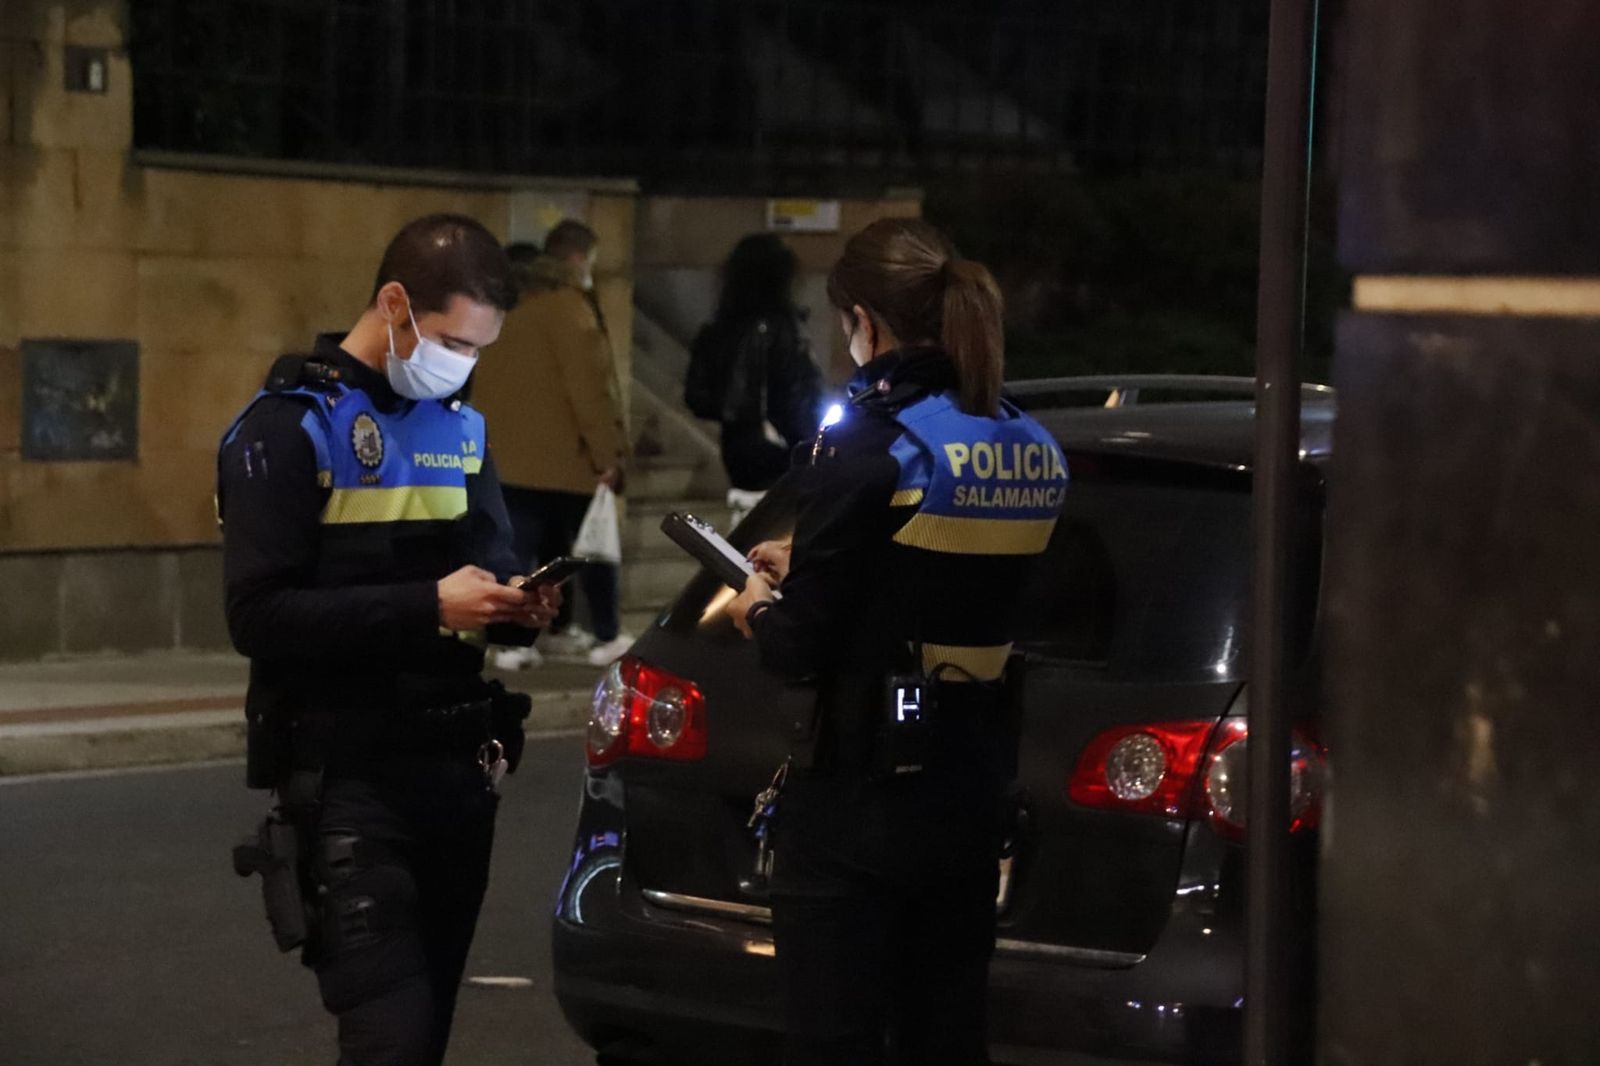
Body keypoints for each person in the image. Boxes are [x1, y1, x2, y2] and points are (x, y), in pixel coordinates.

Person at [217, 213, 563, 1066]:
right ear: (395, 304)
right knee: (391, 1036)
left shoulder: (459, 426)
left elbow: (491, 553)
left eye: (480, 351)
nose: (462, 367)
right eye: (452, 342)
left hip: (456, 773)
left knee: (427, 1029)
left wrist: (518, 596)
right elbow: (255, 615)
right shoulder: (287, 428)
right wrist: (428, 607)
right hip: (349, 779)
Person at [725, 218, 1069, 1066]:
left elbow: (798, 645)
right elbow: (942, 576)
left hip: (855, 807)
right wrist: (823, 558)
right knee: (946, 1038)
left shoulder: (867, 443)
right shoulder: (1027, 444)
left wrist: (756, 607)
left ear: (865, 322)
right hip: (968, 793)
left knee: (835, 1040)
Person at [472, 221, 633, 669]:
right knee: (591, 550)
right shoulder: (569, 310)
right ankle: (605, 633)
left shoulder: (505, 311)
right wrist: (608, 455)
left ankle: (510, 641)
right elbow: (591, 392)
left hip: (507, 456)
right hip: (567, 459)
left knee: (516, 552)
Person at [686, 233, 824, 499]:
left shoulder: (718, 329)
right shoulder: (783, 328)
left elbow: (697, 395)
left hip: (737, 447)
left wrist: (737, 414)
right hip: (783, 449)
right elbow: (799, 399)